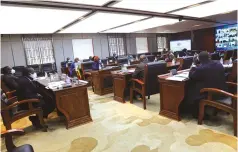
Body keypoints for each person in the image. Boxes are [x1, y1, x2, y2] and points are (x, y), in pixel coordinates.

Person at [184, 51, 227, 117]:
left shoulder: (201, 68)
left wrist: (193, 65)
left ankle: (195, 112)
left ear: (199, 59)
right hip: (222, 91)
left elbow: (191, 76)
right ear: (209, 57)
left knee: (190, 88)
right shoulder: (219, 64)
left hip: (211, 93)